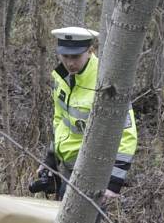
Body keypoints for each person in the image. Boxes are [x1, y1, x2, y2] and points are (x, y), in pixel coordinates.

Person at [38, 26, 137, 201]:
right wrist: (51, 158)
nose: (69, 63)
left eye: (75, 56)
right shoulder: (61, 77)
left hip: (93, 170)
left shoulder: (107, 82)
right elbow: (60, 119)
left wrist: (114, 181)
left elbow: (127, 135)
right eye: (65, 56)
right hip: (68, 167)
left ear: (90, 51)